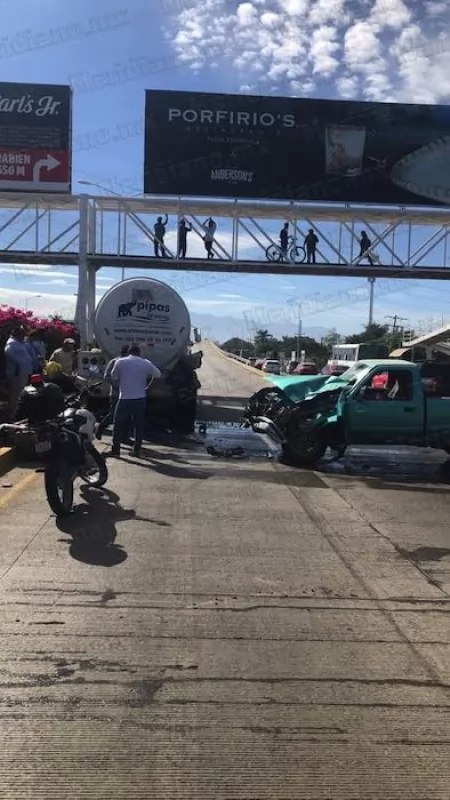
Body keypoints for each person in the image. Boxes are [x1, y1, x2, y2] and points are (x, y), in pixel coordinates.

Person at [109, 344, 162, 458]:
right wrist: (148, 386)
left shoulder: (120, 362)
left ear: (129, 352)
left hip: (124, 398)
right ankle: (136, 450)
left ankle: (115, 450)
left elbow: (114, 377)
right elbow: (158, 374)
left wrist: (122, 383)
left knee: (118, 423)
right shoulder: (145, 363)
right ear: (139, 353)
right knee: (138, 425)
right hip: (140, 398)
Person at [96, 344, 130, 439]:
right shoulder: (115, 361)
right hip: (116, 393)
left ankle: (125, 437)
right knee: (114, 414)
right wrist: (116, 385)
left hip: (127, 393)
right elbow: (107, 376)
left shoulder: (129, 363)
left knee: (127, 415)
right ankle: (101, 427)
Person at [4, 326, 34, 419]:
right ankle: (12, 415)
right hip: (16, 374)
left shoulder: (20, 343)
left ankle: (17, 413)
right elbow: (9, 353)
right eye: (22, 334)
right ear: (18, 334)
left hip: (22, 374)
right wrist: (21, 363)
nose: (24, 336)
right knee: (15, 395)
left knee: (21, 394)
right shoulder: (12, 344)